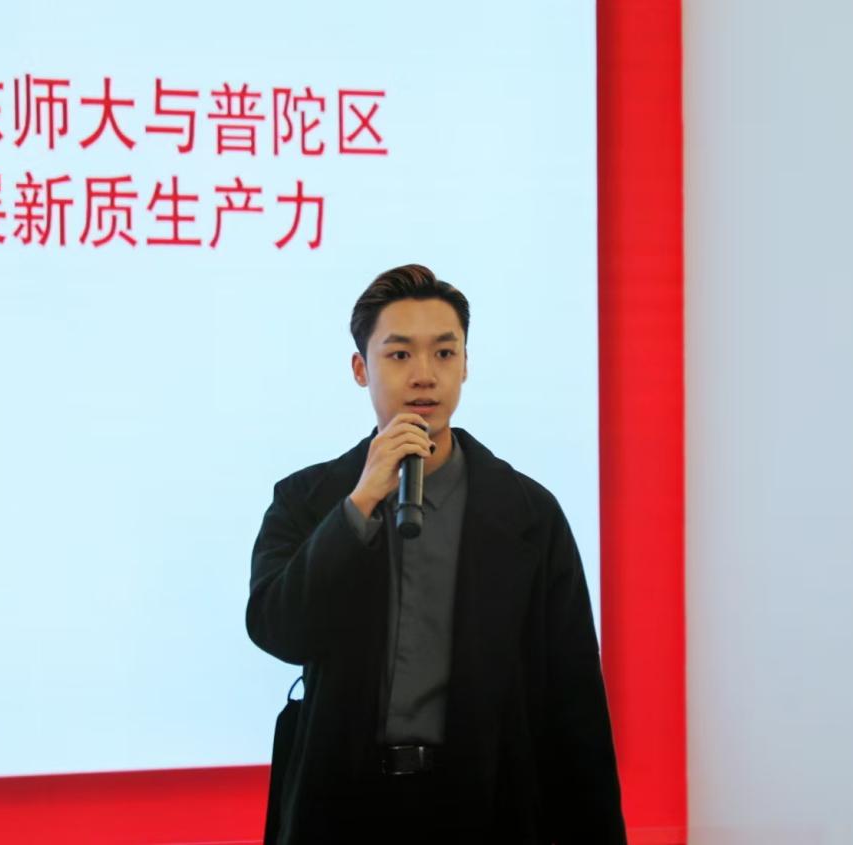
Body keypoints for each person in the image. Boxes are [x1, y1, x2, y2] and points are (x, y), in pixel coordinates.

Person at [247, 265, 626, 844]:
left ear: (465, 364)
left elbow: (574, 701)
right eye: (399, 355)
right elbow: (277, 628)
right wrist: (359, 506)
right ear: (360, 369)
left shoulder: (529, 513)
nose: (424, 375)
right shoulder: (307, 499)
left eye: (444, 353)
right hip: (344, 805)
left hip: (486, 804)